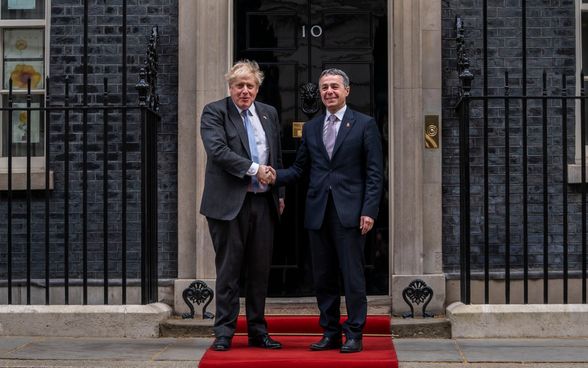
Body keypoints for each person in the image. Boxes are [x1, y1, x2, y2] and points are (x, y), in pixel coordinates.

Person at [270, 68, 383, 353]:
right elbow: (299, 169)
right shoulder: (311, 128)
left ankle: (354, 333)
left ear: (347, 90)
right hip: (318, 212)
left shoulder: (364, 124)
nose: (329, 92)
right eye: (324, 88)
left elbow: (374, 173)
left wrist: (369, 210)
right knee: (324, 277)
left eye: (334, 86)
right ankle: (330, 332)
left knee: (352, 276)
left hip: (351, 213)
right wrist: (272, 176)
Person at [200, 60, 284, 351]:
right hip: (228, 204)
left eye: (250, 85)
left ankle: (258, 332)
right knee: (229, 271)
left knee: (259, 272)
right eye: (239, 85)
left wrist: (280, 192)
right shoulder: (215, 112)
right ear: (230, 87)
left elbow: (276, 155)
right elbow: (218, 151)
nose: (244, 91)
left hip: (263, 202)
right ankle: (224, 332)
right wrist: (254, 169)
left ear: (258, 88)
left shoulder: (269, 114)